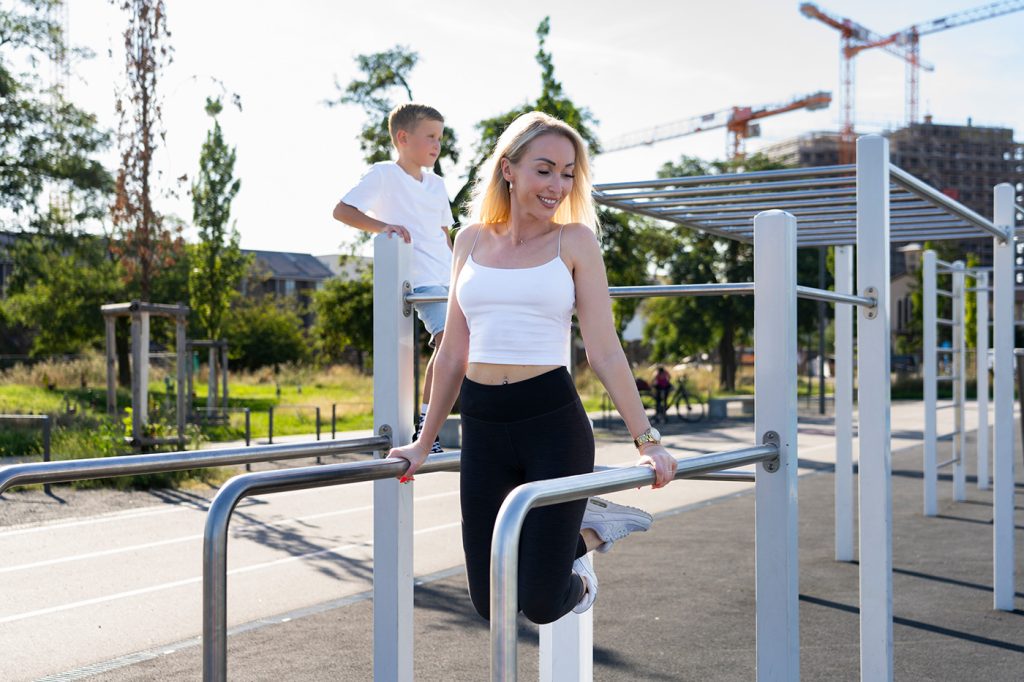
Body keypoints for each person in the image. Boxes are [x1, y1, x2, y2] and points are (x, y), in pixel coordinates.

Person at [388, 111, 678, 623]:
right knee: (490, 601)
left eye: (568, 174)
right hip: (483, 426)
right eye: (545, 170)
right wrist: (422, 440)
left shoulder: (575, 243)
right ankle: (579, 524)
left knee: (542, 603)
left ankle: (590, 536)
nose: (558, 185)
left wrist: (647, 440)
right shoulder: (470, 241)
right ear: (509, 169)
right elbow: (453, 352)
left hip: (551, 422)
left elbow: (605, 349)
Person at [333, 102, 454, 453]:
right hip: (422, 280)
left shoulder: (436, 184)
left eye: (440, 138)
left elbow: (444, 236)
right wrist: (384, 227)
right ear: (403, 138)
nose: (437, 144)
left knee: (469, 349)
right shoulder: (385, 174)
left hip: (450, 277)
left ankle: (443, 425)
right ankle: (425, 430)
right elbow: (342, 210)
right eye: (430, 136)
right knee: (449, 344)